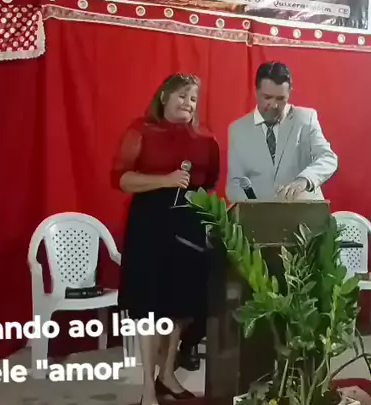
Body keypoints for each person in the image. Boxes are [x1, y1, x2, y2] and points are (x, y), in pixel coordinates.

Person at [111, 73, 220, 405]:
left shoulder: (206, 139)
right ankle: (147, 387)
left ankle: (167, 375)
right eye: (182, 96)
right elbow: (122, 179)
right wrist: (165, 179)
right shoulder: (141, 131)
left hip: (187, 226)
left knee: (179, 306)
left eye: (193, 99)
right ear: (164, 97)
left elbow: (209, 183)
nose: (188, 103)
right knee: (149, 308)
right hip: (150, 226)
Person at [226, 61, 338, 202]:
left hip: (305, 211)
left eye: (281, 99)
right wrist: (254, 208)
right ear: (256, 92)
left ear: (289, 93)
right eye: (267, 97)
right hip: (260, 214)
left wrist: (304, 180)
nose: (274, 105)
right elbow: (236, 183)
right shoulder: (238, 130)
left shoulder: (306, 118)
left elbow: (328, 158)